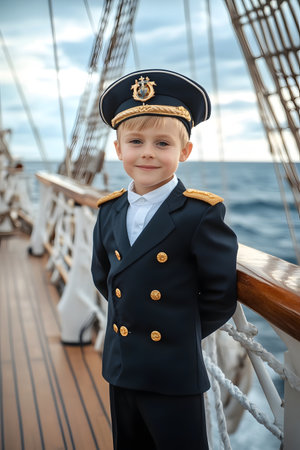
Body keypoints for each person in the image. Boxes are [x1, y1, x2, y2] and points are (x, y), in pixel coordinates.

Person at [92, 69, 238, 450]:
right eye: (136, 141)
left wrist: (175, 331)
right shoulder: (109, 211)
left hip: (172, 368)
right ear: (118, 149)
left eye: (162, 143)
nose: (147, 153)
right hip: (121, 362)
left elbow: (220, 294)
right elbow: (103, 275)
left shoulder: (200, 214)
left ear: (184, 152)